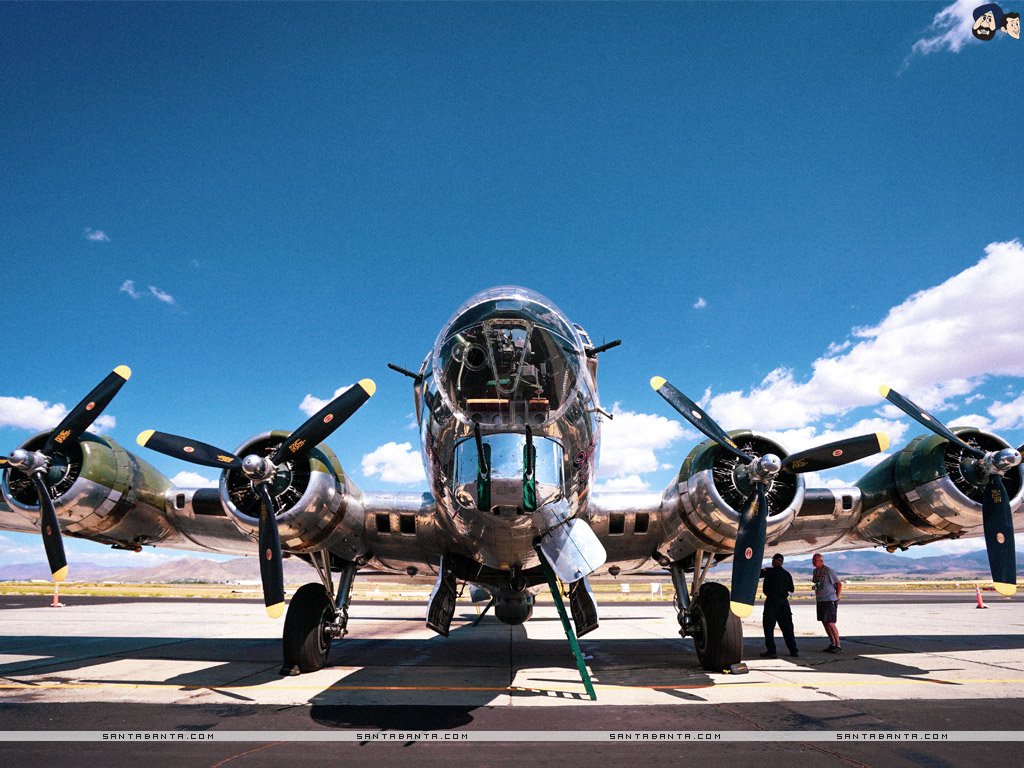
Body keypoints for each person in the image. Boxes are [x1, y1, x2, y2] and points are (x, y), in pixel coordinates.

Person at [759, 553, 798, 659]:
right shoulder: (786, 574)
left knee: (768, 627)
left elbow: (757, 574)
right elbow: (791, 589)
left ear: (775, 561)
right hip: (783, 603)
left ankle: (772, 651)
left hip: (772, 602)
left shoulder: (769, 572)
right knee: (788, 628)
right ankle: (793, 650)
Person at [812, 553, 843, 653]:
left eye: (815, 560)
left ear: (821, 561)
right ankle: (832, 643)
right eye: (813, 560)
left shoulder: (828, 571)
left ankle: (838, 645)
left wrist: (837, 596)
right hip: (820, 600)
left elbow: (838, 584)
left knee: (830, 623)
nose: (813, 562)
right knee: (824, 622)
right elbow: (816, 583)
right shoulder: (815, 571)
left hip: (829, 600)